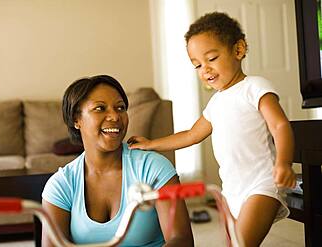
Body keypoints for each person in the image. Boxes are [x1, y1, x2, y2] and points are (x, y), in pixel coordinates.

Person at [128, 12, 296, 246]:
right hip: (231, 190)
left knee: (242, 243)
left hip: (262, 183)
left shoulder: (255, 87)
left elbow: (280, 125)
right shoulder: (216, 102)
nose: (205, 69)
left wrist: (284, 163)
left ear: (238, 50)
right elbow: (191, 135)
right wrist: (150, 144)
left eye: (212, 58)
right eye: (197, 65)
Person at [41, 75, 194, 247]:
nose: (115, 116)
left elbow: (182, 240)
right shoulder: (61, 185)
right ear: (77, 119)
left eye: (120, 108)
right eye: (100, 108)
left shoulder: (153, 167)